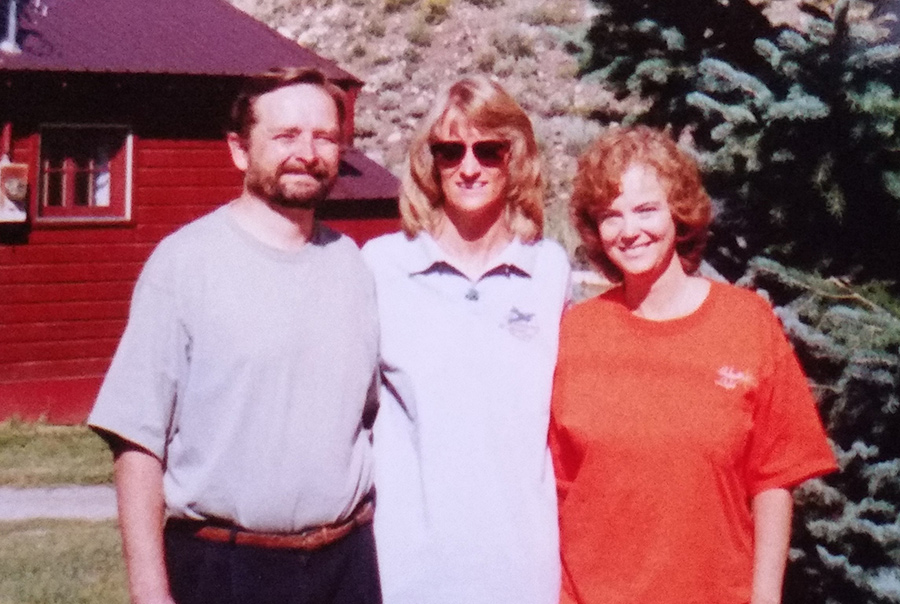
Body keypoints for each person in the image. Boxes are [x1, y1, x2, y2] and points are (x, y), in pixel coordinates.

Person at [88, 68, 381, 604]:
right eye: (285, 135)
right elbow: (137, 442)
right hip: (226, 567)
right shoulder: (184, 264)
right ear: (239, 150)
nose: (307, 152)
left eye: (323, 136)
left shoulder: (354, 268)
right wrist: (150, 594)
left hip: (347, 565)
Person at [550, 125, 837, 604]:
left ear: (679, 215)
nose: (630, 231)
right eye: (611, 216)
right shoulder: (574, 334)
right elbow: (553, 487)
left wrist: (765, 598)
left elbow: (775, 479)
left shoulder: (747, 323)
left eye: (646, 209)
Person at [361, 77, 570, 604]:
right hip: (411, 570)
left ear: (515, 156)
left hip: (523, 570)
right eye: (450, 151)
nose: (469, 167)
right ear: (430, 162)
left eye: (488, 150)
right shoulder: (383, 267)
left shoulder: (549, 270)